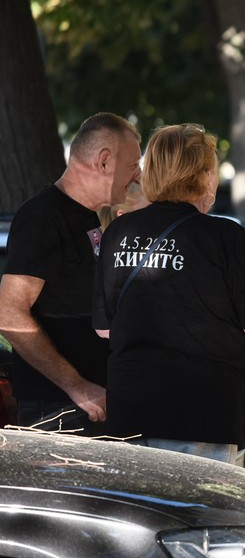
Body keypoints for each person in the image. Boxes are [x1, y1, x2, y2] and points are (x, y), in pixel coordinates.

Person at [92, 123, 245, 465]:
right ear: (205, 175)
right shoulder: (227, 237)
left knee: (141, 502)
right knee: (203, 503)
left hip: (131, 411)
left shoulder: (118, 232)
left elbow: (104, 329)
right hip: (204, 415)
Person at [0, 112, 142, 435]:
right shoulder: (43, 217)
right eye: (133, 165)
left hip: (91, 405)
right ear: (104, 161)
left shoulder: (87, 217)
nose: (137, 175)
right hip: (59, 410)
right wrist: (77, 386)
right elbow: (8, 313)